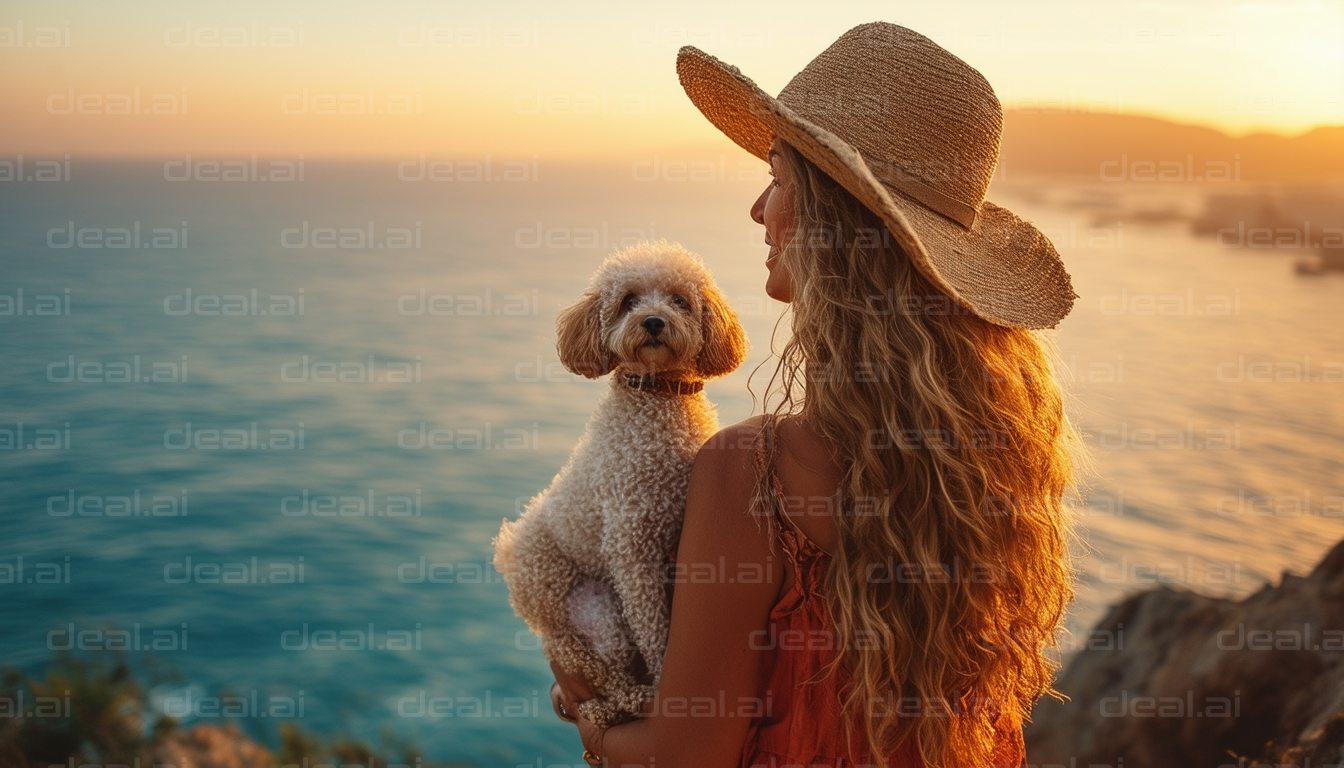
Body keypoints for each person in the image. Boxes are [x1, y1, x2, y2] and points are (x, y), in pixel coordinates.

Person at [550, 22, 1083, 768]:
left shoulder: (754, 473)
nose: (758, 209)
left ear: (832, 220)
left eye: (777, 176)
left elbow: (683, 754)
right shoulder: (995, 465)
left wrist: (589, 715)